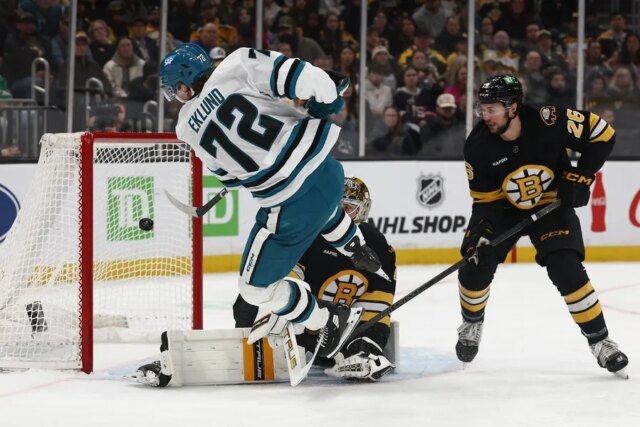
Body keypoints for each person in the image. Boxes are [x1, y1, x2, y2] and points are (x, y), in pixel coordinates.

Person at [159, 43, 388, 361]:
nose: (177, 95)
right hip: (328, 172)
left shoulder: (185, 127)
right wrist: (325, 98)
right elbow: (306, 78)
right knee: (322, 208)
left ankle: (324, 320)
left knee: (254, 289)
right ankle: (356, 247)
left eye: (175, 89)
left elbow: (230, 179)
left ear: (183, 85)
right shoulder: (237, 62)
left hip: (290, 207)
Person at [457, 74, 629, 378]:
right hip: (504, 208)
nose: (485, 115)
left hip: (551, 204)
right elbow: (486, 202)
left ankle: (601, 342)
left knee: (566, 267)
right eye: (482, 109)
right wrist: (482, 234)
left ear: (512, 107)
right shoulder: (478, 146)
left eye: (492, 109)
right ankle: (471, 323)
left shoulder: (550, 120)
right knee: (473, 265)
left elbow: (603, 134)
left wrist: (582, 175)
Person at [233, 176, 396, 381]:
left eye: (349, 208)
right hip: (301, 319)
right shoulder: (308, 233)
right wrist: (278, 306)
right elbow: (289, 274)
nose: (343, 214)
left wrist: (367, 345)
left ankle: (357, 354)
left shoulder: (377, 246)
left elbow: (378, 303)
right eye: (338, 207)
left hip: (339, 330)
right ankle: (251, 347)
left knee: (364, 348)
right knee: (250, 299)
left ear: (362, 210)